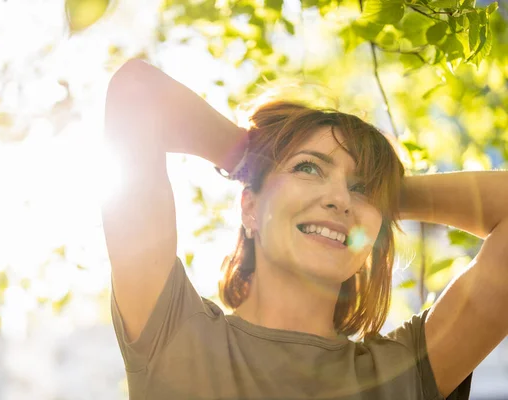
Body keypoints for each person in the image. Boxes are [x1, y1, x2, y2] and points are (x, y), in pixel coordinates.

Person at [102, 58, 508, 400]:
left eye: (360, 189)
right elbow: (138, 93)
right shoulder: (174, 336)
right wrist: (249, 158)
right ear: (251, 208)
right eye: (307, 167)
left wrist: (386, 196)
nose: (340, 199)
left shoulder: (404, 373)